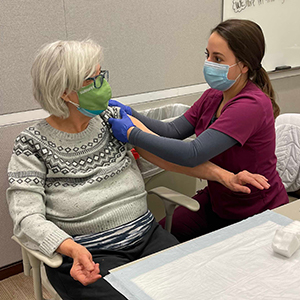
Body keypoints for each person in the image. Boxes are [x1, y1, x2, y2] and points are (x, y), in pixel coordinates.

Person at [6, 39, 265, 300]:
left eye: (101, 76)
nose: (103, 86)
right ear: (63, 91)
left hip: (147, 236)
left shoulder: (110, 118)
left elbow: (165, 156)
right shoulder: (31, 144)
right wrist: (70, 248)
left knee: (198, 286)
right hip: (89, 254)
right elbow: (26, 216)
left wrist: (225, 176)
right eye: (91, 80)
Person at [108, 19, 289, 243]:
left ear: (244, 66)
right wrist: (131, 113)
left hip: (256, 210)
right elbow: (172, 130)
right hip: (218, 200)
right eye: (208, 55)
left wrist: (131, 134)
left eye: (218, 58)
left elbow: (192, 154)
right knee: (163, 236)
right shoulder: (214, 96)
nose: (209, 63)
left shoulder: (250, 105)